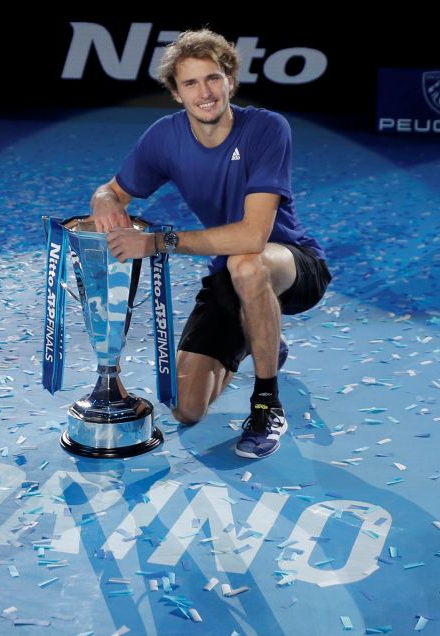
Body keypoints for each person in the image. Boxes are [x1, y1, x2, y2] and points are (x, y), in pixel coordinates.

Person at [91, 29, 330, 459]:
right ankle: (263, 337)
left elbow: (253, 236)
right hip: (230, 275)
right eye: (191, 83)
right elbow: (113, 191)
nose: (205, 93)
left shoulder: (267, 129)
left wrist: (158, 242)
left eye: (213, 78)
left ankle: (265, 405)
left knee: (246, 264)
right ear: (176, 93)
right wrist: (104, 198)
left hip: (293, 267)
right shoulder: (164, 138)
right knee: (186, 408)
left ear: (230, 81)